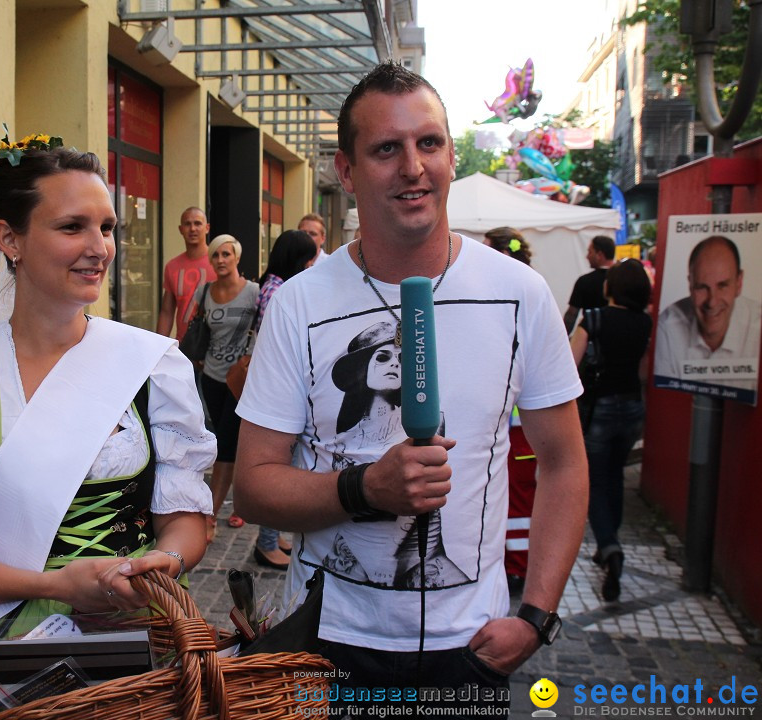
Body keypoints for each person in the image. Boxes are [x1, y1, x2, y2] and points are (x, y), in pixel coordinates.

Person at [234, 62, 587, 712]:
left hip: (469, 645)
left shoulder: (519, 294)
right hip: (323, 642)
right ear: (346, 171)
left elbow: (564, 463)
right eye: (386, 149)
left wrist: (535, 617)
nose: (413, 166)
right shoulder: (300, 304)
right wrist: (364, 489)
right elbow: (253, 485)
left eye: (429, 143)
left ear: (451, 155)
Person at [0, 132, 215, 717]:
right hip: (7, 649)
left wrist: (168, 561)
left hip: (138, 645)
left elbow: (183, 516)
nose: (99, 247)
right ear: (10, 239)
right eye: (71, 227)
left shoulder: (153, 366)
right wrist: (57, 587)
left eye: (106, 227)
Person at [570, 259, 652, 602]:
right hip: (633, 406)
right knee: (615, 476)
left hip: (600, 407)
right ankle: (609, 542)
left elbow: (569, 366)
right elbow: (644, 371)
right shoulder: (644, 322)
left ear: (611, 287)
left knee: (595, 481)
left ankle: (609, 546)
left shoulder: (594, 319)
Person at [250, 228, 317, 568]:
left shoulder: (272, 284)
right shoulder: (280, 291)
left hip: (274, 386)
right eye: (308, 260)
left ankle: (274, 537)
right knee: (279, 468)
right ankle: (266, 543)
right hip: (278, 390)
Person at [483, 226, 538, 593]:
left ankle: (517, 567)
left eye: (489, 251)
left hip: (520, 427)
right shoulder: (526, 292)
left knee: (517, 501)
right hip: (513, 426)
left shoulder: (514, 299)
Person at [200, 234, 258, 537]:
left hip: (240, 380)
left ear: (236, 257)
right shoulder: (205, 291)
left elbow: (266, 327)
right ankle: (239, 505)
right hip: (211, 376)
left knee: (225, 443)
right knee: (226, 442)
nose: (221, 260)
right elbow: (198, 328)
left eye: (226, 254)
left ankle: (210, 514)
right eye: (215, 256)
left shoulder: (254, 292)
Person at [654, 235, 760, 393]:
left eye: (722, 285)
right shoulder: (668, 324)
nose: (712, 302)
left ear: (739, 283)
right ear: (690, 284)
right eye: (702, 287)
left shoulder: (757, 324)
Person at [156, 206, 216, 341]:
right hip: (185, 345)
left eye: (197, 223)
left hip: (213, 347)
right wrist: (159, 346)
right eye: (187, 224)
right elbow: (167, 312)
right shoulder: (172, 266)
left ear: (207, 228)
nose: (193, 229)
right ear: (180, 229)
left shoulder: (218, 262)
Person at [564, 235, 616, 332]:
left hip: (590, 338)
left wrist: (563, 338)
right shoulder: (622, 280)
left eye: (590, 252)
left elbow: (571, 315)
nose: (587, 256)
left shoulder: (584, 281)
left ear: (599, 255)